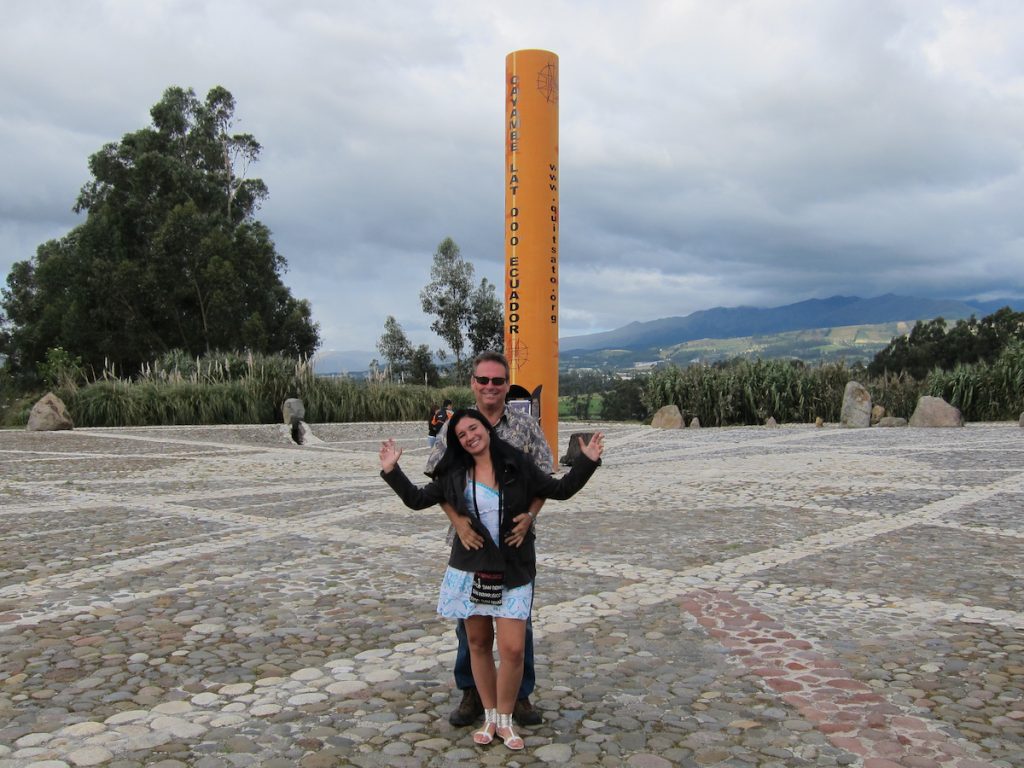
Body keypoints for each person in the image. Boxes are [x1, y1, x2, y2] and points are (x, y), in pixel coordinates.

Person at [379, 410, 604, 749]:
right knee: (479, 645)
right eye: (462, 434)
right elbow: (416, 499)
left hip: (513, 568)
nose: (470, 436)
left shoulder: (517, 463)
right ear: (457, 442)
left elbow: (560, 490)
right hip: (474, 569)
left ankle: (506, 717)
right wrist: (391, 470)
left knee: (513, 649)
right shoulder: (454, 473)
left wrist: (586, 462)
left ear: (485, 427)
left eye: (474, 428)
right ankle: (490, 717)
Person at [425, 352, 553, 728]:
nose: (490, 387)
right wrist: (458, 520)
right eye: (483, 380)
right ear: (473, 383)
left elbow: (545, 477)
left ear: (507, 383)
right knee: (471, 621)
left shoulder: (525, 426)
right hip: (471, 543)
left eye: (498, 381)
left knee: (517, 620)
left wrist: (531, 516)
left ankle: (520, 695)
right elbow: (437, 480)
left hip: (514, 543)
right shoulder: (457, 426)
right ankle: (472, 692)